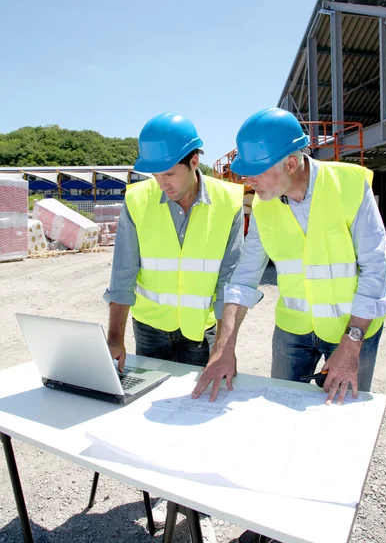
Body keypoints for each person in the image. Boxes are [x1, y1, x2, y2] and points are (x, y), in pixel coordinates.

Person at [193, 107, 386, 407]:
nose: (250, 181)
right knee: (282, 412)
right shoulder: (264, 206)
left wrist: (352, 344)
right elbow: (244, 277)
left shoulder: (350, 187)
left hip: (354, 327)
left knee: (343, 414)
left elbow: (376, 270)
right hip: (293, 331)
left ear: (290, 163)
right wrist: (224, 345)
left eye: (256, 172)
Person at [104, 111, 244, 540]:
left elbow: (229, 281)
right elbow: (123, 273)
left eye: (169, 172)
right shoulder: (137, 200)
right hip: (151, 327)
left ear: (194, 160)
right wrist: (114, 336)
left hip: (201, 330)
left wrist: (226, 346)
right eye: (154, 173)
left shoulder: (230, 202)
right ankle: (164, 492)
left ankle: (198, 500)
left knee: (202, 412)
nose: (161, 182)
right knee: (155, 415)